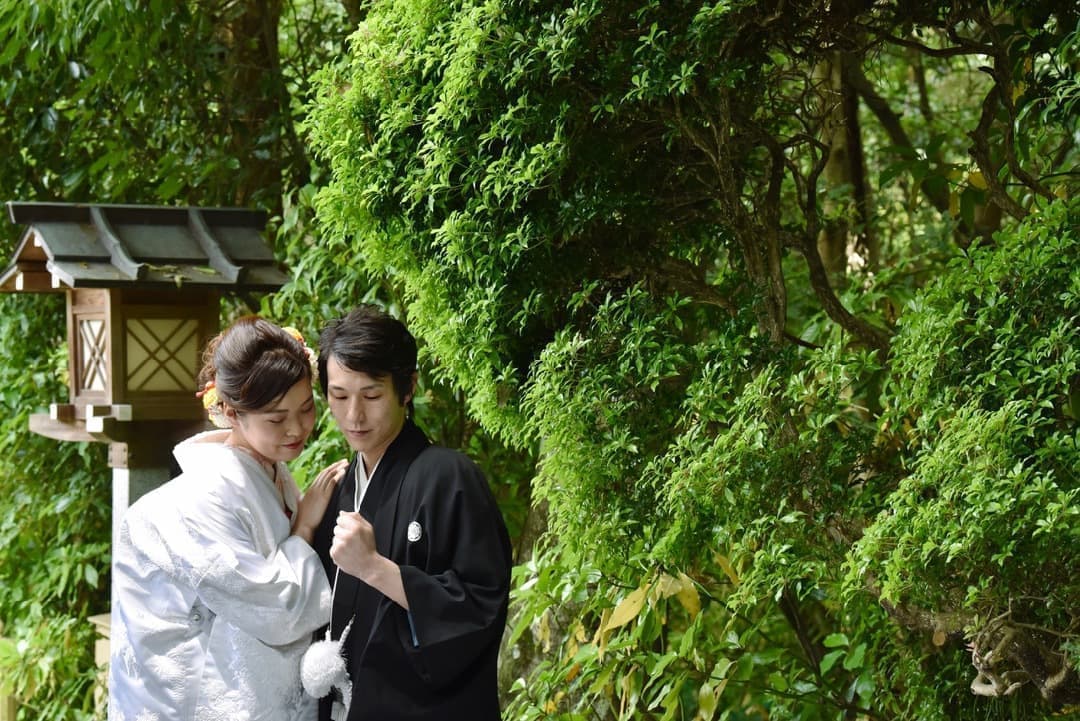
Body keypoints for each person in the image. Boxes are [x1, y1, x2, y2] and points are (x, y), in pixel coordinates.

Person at [108, 316, 349, 721]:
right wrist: (304, 527)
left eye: (306, 408)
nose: (297, 428)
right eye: (276, 418)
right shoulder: (205, 496)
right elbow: (276, 610)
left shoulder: (265, 470)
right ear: (231, 413)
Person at [308, 305, 512, 721]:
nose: (354, 415)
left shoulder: (450, 476)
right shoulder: (340, 487)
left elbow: (480, 608)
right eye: (339, 396)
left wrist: (374, 568)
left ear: (407, 389)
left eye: (372, 395)